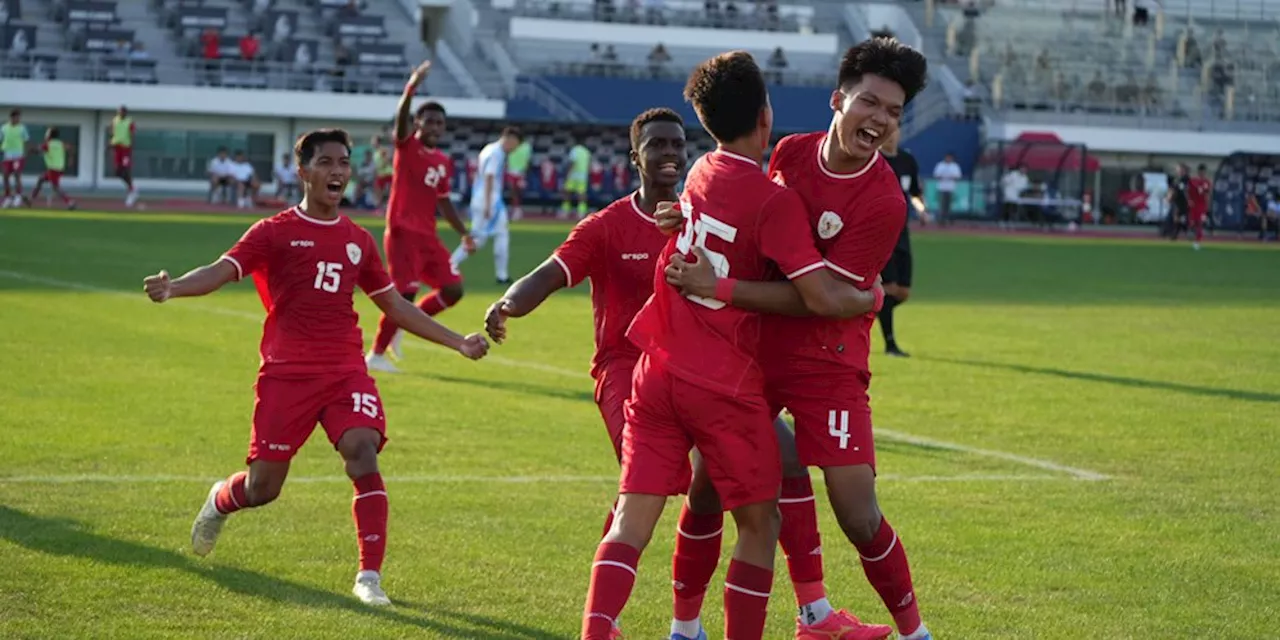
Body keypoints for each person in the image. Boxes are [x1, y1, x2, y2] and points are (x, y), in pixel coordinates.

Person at [580, 51, 884, 640]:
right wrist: (868, 297)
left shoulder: (697, 174)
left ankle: (603, 632)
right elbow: (819, 295)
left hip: (656, 367)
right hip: (721, 381)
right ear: (766, 117)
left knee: (632, 521)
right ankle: (792, 617)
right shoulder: (773, 201)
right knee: (759, 523)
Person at [141, 128, 489, 607]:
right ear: (302, 171)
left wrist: (457, 341)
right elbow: (221, 271)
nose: (338, 171)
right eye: (325, 162)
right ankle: (221, 499)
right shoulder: (273, 232)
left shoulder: (358, 241)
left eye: (343, 162)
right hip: (286, 374)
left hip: (345, 370)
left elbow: (396, 306)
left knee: (363, 449)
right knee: (264, 488)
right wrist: (174, 287)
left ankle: (369, 577)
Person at [661, 38, 933, 640]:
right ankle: (689, 627)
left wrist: (722, 286)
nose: (882, 120)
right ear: (838, 99)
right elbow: (748, 230)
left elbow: (822, 302)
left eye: (894, 111)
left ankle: (915, 633)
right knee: (707, 487)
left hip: (826, 360)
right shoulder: (788, 153)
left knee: (858, 515)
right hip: (752, 351)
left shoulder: (884, 201)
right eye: (871, 103)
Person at [483, 107, 688, 530]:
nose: (670, 153)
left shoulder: (701, 222)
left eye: (677, 144)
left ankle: (808, 596)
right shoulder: (606, 227)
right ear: (635, 157)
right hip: (624, 369)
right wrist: (507, 303)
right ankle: (606, 584)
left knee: (726, 487)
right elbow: (549, 273)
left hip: (691, 369)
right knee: (651, 479)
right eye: (657, 144)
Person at [366, 62, 475, 373]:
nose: (435, 128)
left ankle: (402, 326)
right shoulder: (407, 146)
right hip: (402, 232)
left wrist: (463, 232)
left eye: (440, 123)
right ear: (417, 124)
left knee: (453, 289)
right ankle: (375, 354)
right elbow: (400, 121)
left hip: (428, 235)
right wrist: (411, 86)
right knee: (405, 293)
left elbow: (444, 203)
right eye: (429, 122)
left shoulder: (443, 161)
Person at [450, 126, 522, 285]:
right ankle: (450, 264)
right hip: (489, 200)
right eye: (516, 144)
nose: (515, 149)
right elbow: (489, 176)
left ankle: (501, 275)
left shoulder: (489, 149)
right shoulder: (497, 154)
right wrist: (489, 204)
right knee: (481, 238)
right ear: (510, 139)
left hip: (481, 197)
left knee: (498, 234)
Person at [879, 129, 927, 358]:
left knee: (902, 292)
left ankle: (863, 311)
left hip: (903, 232)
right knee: (888, 287)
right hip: (881, 233)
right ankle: (890, 345)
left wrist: (922, 209)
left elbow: (916, 193)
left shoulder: (907, 161)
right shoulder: (873, 160)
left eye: (895, 129)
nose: (891, 134)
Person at [30, 127, 76, 210]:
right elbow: (70, 148)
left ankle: (70, 202)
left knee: (55, 187)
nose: (46, 135)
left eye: (47, 133)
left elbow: (37, 150)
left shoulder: (48, 144)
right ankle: (31, 199)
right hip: (60, 168)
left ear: (49, 135)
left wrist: (31, 149)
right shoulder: (60, 143)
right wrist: (71, 159)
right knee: (41, 179)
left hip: (53, 169)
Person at [110, 106, 140, 207]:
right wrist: (110, 144)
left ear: (126, 113)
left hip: (125, 149)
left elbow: (132, 134)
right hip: (117, 148)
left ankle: (131, 192)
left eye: (122, 112)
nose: (120, 113)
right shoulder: (115, 120)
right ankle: (132, 188)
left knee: (126, 169)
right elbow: (114, 133)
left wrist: (131, 147)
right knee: (117, 172)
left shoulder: (129, 122)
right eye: (119, 111)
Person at [2, 108, 30, 208]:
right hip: (7, 156)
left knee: (17, 175)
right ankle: (8, 197)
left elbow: (26, 141)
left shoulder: (22, 128)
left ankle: (18, 196)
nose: (17, 119)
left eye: (19, 117)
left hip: (18, 156)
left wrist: (25, 154)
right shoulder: (4, 128)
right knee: (5, 176)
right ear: (11, 117)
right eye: (15, 117)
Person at [562, 138, 591, 219]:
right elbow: (589, 165)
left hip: (573, 175)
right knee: (581, 194)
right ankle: (581, 212)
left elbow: (572, 163)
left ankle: (566, 211)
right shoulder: (586, 152)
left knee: (567, 192)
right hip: (582, 176)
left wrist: (567, 174)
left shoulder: (574, 150)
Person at [931, 152, 961, 225]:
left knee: (949, 205)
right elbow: (936, 175)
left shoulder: (954, 166)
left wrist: (950, 177)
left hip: (950, 188)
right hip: (942, 188)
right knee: (942, 205)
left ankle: (949, 219)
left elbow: (957, 176)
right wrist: (944, 177)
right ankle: (941, 220)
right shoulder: (940, 165)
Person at [506, 137, 532, 220]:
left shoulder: (527, 147)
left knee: (519, 191)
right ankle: (516, 208)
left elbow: (528, 160)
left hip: (521, 172)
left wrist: (525, 172)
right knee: (512, 191)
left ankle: (518, 208)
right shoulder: (511, 145)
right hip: (511, 171)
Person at [1188, 163, 1212, 250]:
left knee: (1200, 223)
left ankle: (1197, 241)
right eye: (1201, 171)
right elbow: (1189, 192)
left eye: (1203, 172)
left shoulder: (1207, 182)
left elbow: (1207, 194)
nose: (1202, 173)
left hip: (1202, 206)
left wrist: (1208, 206)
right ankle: (1192, 236)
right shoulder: (1193, 181)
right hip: (1194, 205)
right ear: (1198, 172)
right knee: (1192, 223)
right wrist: (1189, 201)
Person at [1165, 163, 1190, 240]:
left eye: (1180, 169)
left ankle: (1182, 232)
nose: (1178, 171)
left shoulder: (1186, 180)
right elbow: (1172, 189)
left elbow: (1186, 191)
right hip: (1177, 202)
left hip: (1183, 202)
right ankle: (1175, 234)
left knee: (1180, 218)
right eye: (1178, 169)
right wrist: (1168, 197)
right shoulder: (1177, 180)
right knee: (1176, 218)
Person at [371, 136, 394, 213]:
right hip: (381, 175)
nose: (373, 143)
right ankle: (380, 208)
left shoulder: (382, 150)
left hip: (387, 174)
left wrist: (383, 165)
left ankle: (387, 208)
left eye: (374, 142)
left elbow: (388, 160)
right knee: (378, 192)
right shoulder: (376, 152)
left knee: (388, 192)